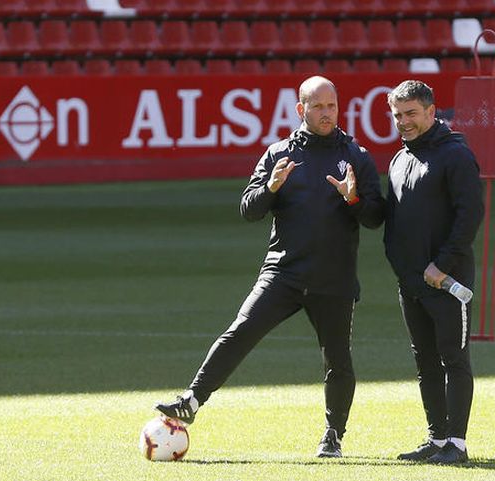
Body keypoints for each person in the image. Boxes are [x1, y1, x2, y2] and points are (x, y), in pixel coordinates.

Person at [155, 76, 385, 458]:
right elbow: (249, 209)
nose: (327, 113)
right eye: (318, 106)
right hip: (284, 272)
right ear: (301, 110)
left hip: (334, 277)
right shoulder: (279, 153)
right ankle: (191, 401)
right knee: (240, 331)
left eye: (332, 106)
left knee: (338, 361)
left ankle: (333, 435)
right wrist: (271, 188)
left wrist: (354, 198)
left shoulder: (357, 155)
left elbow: (377, 216)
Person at [383, 80, 484, 464]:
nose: (404, 122)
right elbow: (389, 218)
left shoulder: (455, 154)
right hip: (411, 283)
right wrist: (353, 198)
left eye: (411, 113)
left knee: (453, 359)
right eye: (397, 115)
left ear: (430, 110)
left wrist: (442, 265)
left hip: (448, 280)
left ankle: (456, 444)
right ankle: (437, 439)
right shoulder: (399, 159)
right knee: (424, 360)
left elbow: (470, 214)